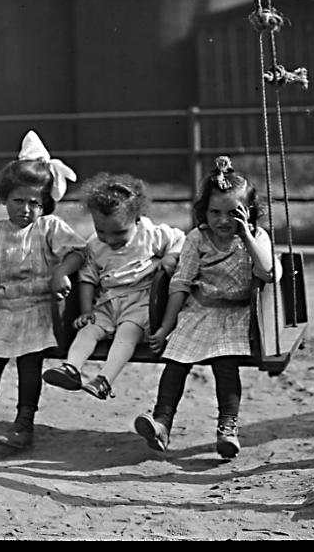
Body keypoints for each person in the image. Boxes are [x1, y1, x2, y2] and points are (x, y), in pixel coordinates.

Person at [132, 155, 280, 460]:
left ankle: (228, 428)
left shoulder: (257, 237)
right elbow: (180, 284)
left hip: (236, 315)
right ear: (204, 211)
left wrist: (247, 236)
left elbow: (268, 272)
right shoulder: (197, 238)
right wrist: (165, 327)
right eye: (215, 212)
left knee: (225, 367)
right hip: (198, 312)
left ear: (249, 213)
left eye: (233, 213)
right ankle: (161, 423)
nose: (223, 220)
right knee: (175, 364)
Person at [0, 131, 87, 451]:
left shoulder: (49, 228)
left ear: (46, 204)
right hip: (6, 307)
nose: (26, 209)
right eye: (18, 201)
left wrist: (61, 271)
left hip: (41, 307)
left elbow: (79, 252)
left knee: (29, 363)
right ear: (3, 198)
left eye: (35, 203)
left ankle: (23, 424)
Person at [42, 173, 184, 400]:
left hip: (140, 302)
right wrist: (87, 311)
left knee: (126, 333)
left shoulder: (150, 234)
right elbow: (88, 278)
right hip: (107, 303)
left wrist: (171, 256)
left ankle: (104, 379)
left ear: (137, 219)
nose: (109, 239)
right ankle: (71, 368)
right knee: (87, 331)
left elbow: (180, 238)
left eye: (119, 232)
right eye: (102, 231)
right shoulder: (95, 244)